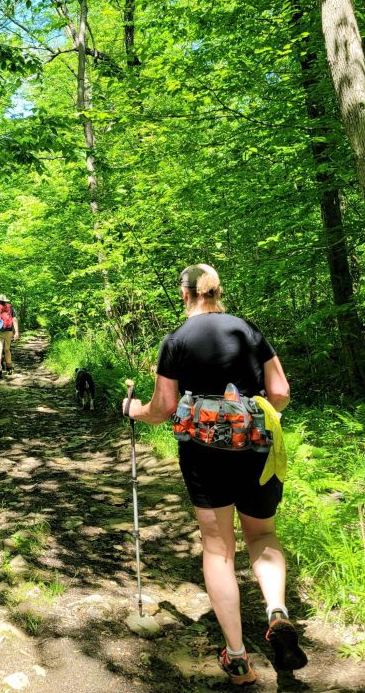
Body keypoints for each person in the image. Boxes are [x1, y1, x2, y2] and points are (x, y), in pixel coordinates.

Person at [122, 263, 307, 686]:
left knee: (218, 548)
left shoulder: (176, 341)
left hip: (203, 454)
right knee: (263, 534)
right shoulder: (247, 330)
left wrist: (132, 409)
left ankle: (238, 659)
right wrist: (252, 417)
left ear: (184, 294)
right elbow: (280, 392)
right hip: (257, 449)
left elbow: (163, 408)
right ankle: (277, 614)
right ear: (217, 291)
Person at [0, 294, 19, 381]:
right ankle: (9, 368)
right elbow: (14, 319)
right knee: (7, 349)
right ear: (5, 301)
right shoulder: (11, 308)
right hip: (9, 332)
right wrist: (17, 332)